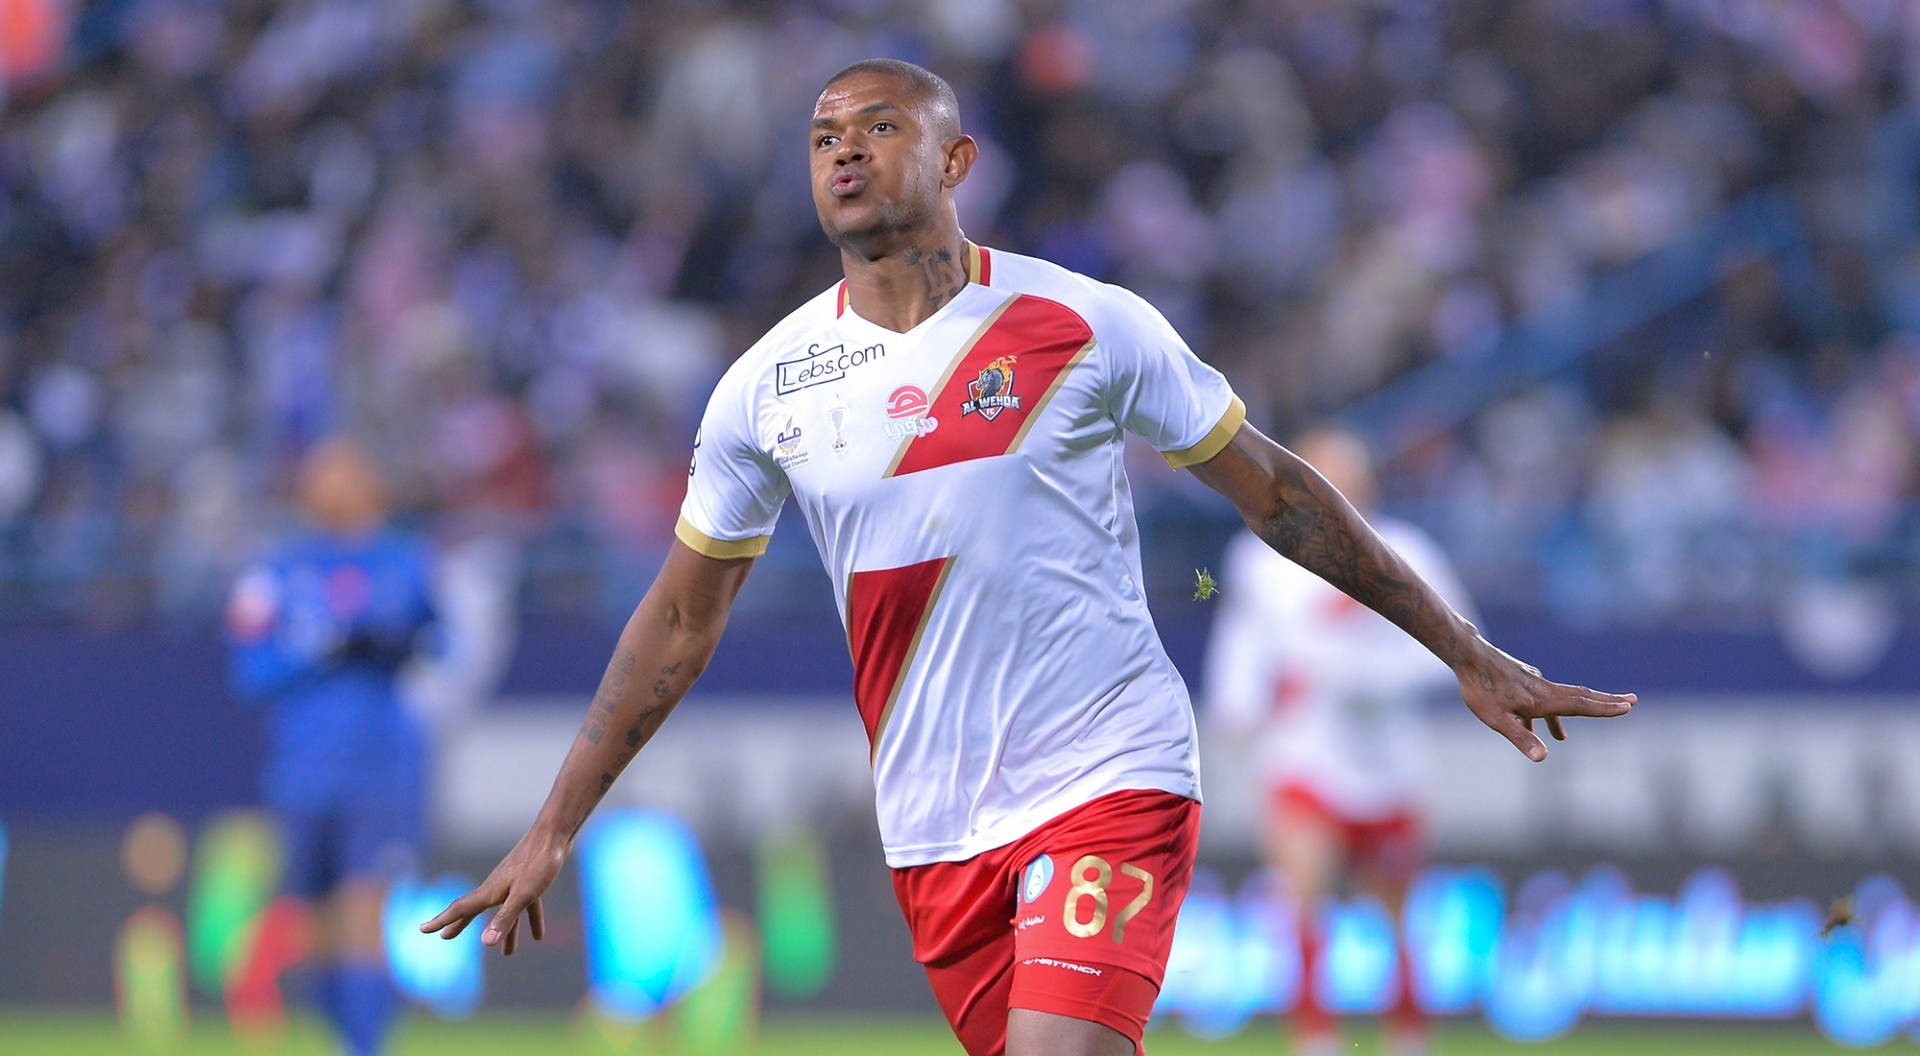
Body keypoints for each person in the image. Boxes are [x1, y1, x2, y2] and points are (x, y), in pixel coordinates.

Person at [421, 59, 1635, 1056]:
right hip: (934, 823)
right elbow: (683, 620)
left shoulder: (1085, 323)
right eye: (824, 136)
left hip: (1111, 770)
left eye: (879, 128)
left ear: (955, 162)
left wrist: (1462, 650)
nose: (844, 152)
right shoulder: (765, 389)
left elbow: (1278, 496)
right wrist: (554, 825)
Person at [1204, 427, 1470, 1056]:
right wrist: (1235, 708)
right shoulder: (1261, 560)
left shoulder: (1409, 552)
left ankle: (1407, 1035)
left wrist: (1370, 683)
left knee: (1397, 915)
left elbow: (1462, 649)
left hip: (1388, 763)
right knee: (1301, 902)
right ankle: (1315, 1038)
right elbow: (1244, 644)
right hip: (1305, 755)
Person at [228, 439, 440, 1056]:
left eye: (349, 476)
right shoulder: (275, 573)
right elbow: (250, 673)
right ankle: (339, 1036)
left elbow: (440, 641)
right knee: (313, 916)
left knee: (365, 907)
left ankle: (366, 1046)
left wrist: (395, 642)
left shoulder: (403, 563)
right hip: (301, 769)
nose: (336, 488)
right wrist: (321, 652)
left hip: (378, 765)